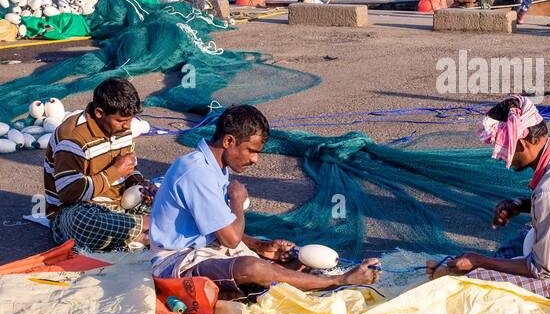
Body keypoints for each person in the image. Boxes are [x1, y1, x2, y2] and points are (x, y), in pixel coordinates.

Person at [149, 104, 380, 297]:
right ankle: (339, 280)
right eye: (251, 151)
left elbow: (215, 229)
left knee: (287, 261)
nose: (256, 160)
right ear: (229, 141)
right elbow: (229, 239)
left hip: (204, 249)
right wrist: (236, 201)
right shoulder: (197, 172)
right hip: (175, 262)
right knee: (253, 268)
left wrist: (259, 245)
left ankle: (287, 274)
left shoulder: (214, 166)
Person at [438, 95, 550, 300]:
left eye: (504, 148)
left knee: (473, 281)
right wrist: (521, 205)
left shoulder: (549, 192)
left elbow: (542, 271)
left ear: (523, 144)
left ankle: (464, 272)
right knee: (529, 231)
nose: (501, 157)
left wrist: (479, 261)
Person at [44, 78, 153, 252]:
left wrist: (140, 184)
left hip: (120, 207)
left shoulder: (123, 126)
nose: (127, 125)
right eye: (120, 120)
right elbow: (69, 194)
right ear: (99, 113)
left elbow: (129, 169)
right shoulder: (72, 137)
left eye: (130, 119)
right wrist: (115, 172)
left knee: (164, 198)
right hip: (76, 210)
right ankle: (148, 229)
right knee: (82, 222)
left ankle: (135, 235)